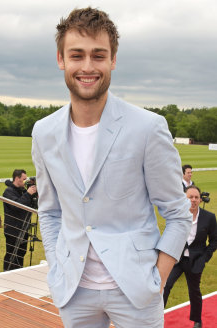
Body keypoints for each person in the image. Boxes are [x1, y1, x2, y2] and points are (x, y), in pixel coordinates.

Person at [31, 7, 192, 328]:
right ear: (61, 59)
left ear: (113, 60)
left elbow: (177, 213)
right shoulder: (43, 131)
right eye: (77, 55)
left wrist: (157, 280)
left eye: (98, 55)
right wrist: (57, 268)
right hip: (74, 291)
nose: (87, 66)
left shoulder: (148, 127)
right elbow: (50, 212)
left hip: (135, 291)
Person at [164, 185, 217, 328]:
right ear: (185, 199)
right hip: (177, 259)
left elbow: (214, 241)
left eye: (196, 197)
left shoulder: (209, 218)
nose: (193, 200)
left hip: (195, 261)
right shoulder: (178, 215)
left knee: (194, 291)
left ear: (200, 199)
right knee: (166, 285)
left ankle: (197, 320)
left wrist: (204, 258)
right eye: (190, 197)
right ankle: (156, 316)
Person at [3, 169, 37, 271]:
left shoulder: (23, 191)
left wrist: (34, 195)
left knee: (21, 254)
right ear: (17, 178)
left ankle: (18, 272)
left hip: (24, 228)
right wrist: (28, 194)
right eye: (23, 179)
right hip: (13, 230)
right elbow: (16, 206)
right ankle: (7, 274)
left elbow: (34, 206)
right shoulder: (8, 192)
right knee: (11, 255)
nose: (25, 181)